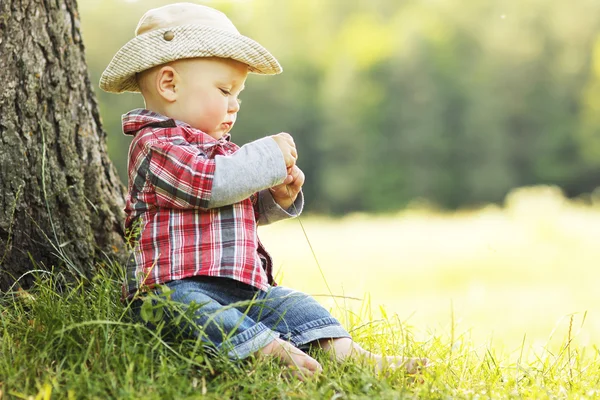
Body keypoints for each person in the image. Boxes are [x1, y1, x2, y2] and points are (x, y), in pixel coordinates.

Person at [100, 2, 427, 379]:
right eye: (225, 90)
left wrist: (275, 197)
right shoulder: (155, 144)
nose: (235, 105)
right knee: (183, 309)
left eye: (239, 93)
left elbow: (238, 205)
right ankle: (266, 351)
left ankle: (351, 355)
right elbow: (209, 185)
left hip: (241, 287)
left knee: (295, 305)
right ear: (169, 84)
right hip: (175, 285)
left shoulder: (224, 151)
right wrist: (267, 156)